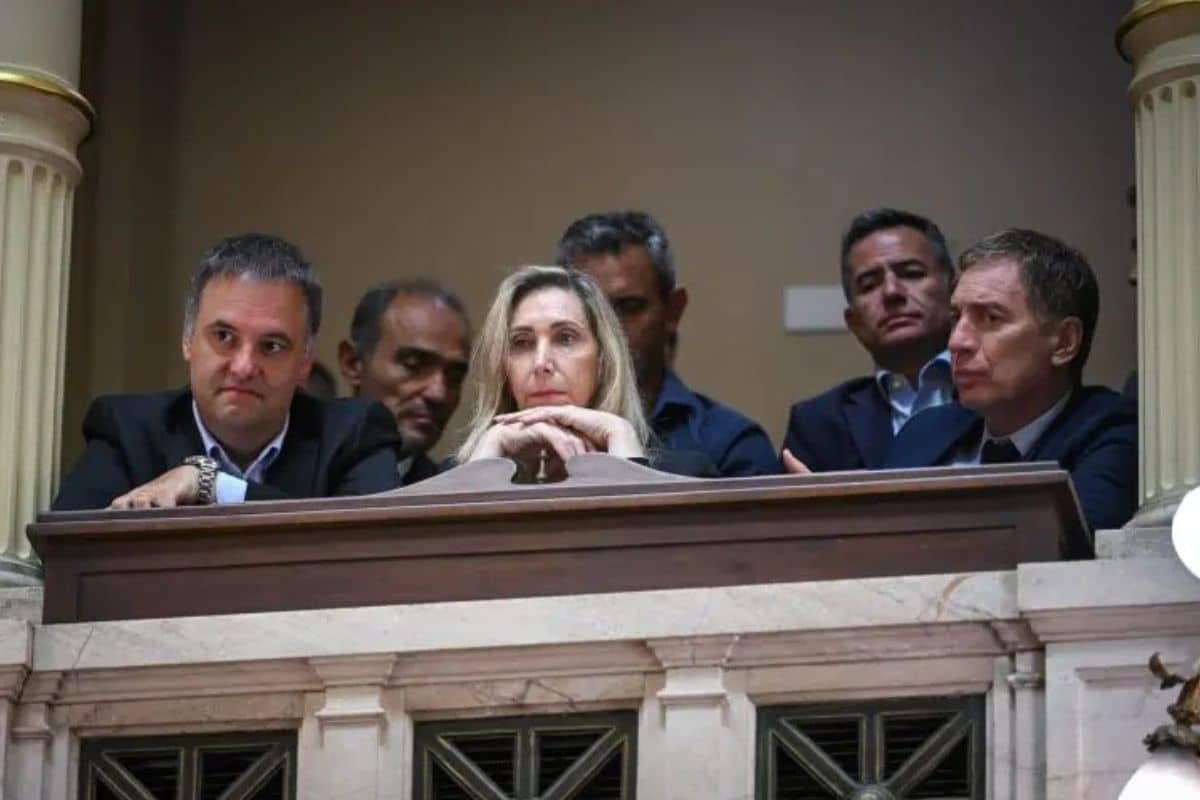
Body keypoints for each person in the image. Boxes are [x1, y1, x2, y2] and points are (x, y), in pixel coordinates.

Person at [52, 233, 401, 511]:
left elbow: (367, 545)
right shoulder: (128, 430)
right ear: (188, 340)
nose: (244, 366)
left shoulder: (354, 434)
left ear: (305, 361)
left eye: (272, 346)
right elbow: (67, 554)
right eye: (224, 337)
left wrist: (211, 485)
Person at [885, 228, 1137, 531]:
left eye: (991, 318)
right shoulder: (924, 431)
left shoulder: (1115, 430)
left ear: (1064, 342)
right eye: (956, 318)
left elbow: (1066, 545)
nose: (956, 342)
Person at [556, 211, 777, 476]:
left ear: (673, 310)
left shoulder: (730, 445)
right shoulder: (528, 432)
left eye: (629, 307)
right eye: (590, 311)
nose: (608, 330)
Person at [456, 265, 715, 481]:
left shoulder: (686, 476)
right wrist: (487, 457)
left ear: (603, 360)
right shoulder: (457, 474)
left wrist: (622, 444)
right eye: (521, 342)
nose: (541, 362)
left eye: (565, 338)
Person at [782, 208, 956, 473]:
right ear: (854, 323)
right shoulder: (818, 424)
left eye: (911, 273)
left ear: (955, 292)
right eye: (869, 285)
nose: (891, 292)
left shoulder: (1008, 395)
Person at [338, 280, 470, 485]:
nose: (438, 393)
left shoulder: (447, 493)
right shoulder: (290, 469)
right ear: (353, 363)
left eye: (454, 377)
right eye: (413, 365)